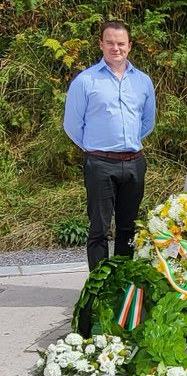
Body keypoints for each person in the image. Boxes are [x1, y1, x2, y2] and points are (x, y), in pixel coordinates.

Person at [63, 20, 155, 270]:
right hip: (100, 164)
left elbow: (147, 121)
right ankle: (99, 288)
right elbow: (72, 124)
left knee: (128, 228)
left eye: (121, 43)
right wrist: (96, 149)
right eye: (111, 43)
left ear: (130, 46)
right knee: (99, 230)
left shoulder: (143, 82)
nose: (116, 48)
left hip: (134, 163)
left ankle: (121, 287)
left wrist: (127, 144)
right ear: (101, 44)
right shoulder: (85, 81)